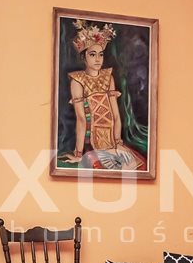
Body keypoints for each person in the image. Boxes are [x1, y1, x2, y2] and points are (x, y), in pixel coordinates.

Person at [61, 19, 146, 172]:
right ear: (84, 57)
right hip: (91, 143)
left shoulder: (108, 77)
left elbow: (115, 115)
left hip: (112, 141)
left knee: (136, 166)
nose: (98, 59)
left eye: (100, 55)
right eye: (92, 54)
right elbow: (81, 119)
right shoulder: (77, 81)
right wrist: (78, 153)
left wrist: (118, 142)